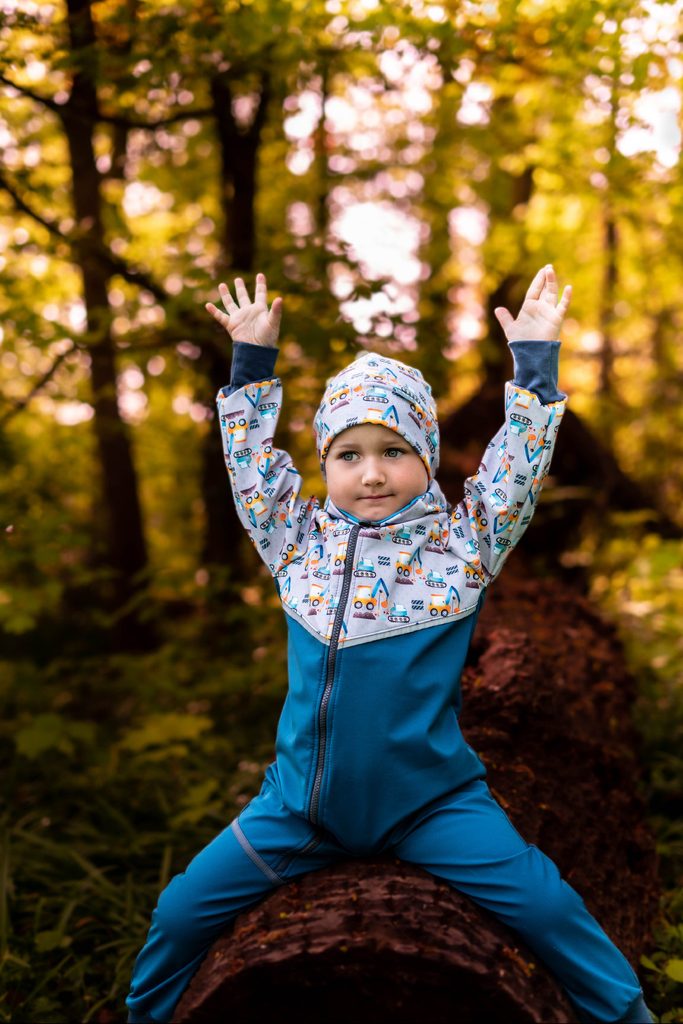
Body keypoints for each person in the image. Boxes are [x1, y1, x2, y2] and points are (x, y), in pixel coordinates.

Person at [125, 267, 653, 1024]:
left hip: (431, 808)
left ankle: (630, 1016)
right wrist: (251, 364)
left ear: (427, 456)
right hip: (299, 810)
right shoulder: (296, 544)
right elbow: (251, 471)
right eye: (348, 454)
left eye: (393, 450)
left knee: (548, 907)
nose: (372, 473)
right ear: (324, 464)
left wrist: (535, 362)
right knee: (178, 913)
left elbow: (516, 471)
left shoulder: (462, 548)